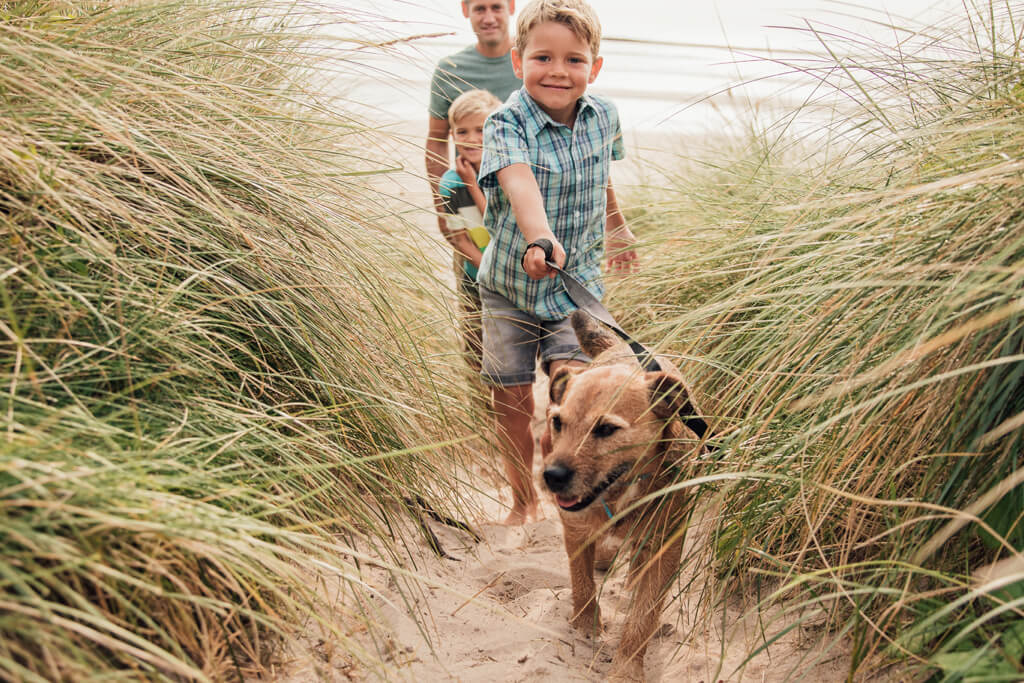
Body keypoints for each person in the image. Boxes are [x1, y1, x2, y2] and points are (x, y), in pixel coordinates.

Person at [476, 0, 638, 525]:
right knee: (512, 396)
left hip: (577, 286)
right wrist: (539, 238)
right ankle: (522, 500)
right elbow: (519, 183)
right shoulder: (505, 123)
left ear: (594, 67)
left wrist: (617, 225)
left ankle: (582, 480)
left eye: (574, 60)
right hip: (510, 286)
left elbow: (600, 177)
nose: (558, 71)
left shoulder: (604, 116)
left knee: (580, 385)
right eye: (543, 57)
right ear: (519, 61)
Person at [426, 0, 521, 257]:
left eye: (496, 7)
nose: (488, 17)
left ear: (511, 7)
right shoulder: (450, 70)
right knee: (473, 283)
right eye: (480, 8)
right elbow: (436, 139)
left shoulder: (529, 63)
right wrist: (442, 206)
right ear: (465, 10)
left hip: (520, 206)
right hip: (466, 203)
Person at [437, 89, 503, 371]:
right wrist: (485, 269)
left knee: (510, 348)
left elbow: (498, 224)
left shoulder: (507, 172)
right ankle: (480, 410)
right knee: (476, 346)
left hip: (513, 275)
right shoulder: (451, 183)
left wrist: (473, 184)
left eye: (481, 129)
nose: (472, 139)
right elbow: (459, 238)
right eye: (462, 132)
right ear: (452, 136)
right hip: (475, 276)